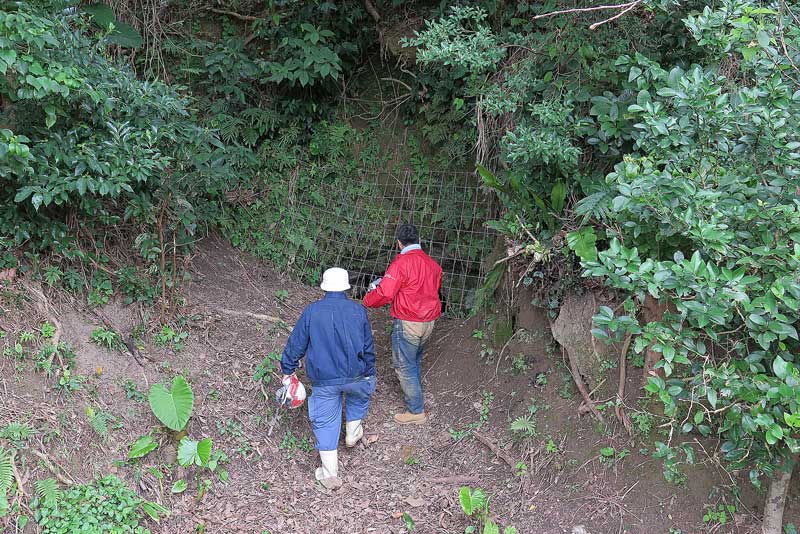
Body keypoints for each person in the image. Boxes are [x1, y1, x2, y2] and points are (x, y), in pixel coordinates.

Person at [280, 267, 376, 488]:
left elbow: (296, 344)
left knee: (325, 421)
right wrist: (369, 372)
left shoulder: (312, 312)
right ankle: (353, 431)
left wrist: (288, 369)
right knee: (359, 396)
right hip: (356, 376)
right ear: (346, 287)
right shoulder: (358, 311)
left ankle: (330, 473)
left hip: (324, 380)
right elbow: (368, 347)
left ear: (323, 287)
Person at [364, 224, 442, 425]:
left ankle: (416, 411)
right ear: (419, 241)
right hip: (428, 322)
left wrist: (367, 300)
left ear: (399, 243)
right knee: (414, 360)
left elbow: (385, 293)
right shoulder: (433, 265)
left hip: (409, 321)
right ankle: (416, 401)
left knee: (404, 365)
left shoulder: (401, 264)